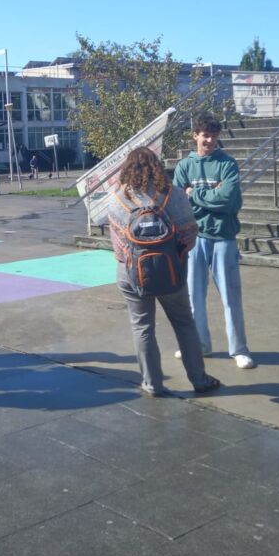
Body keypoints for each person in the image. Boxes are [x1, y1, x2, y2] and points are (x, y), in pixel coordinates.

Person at [106, 147, 221, 395]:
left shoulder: (116, 199)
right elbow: (190, 235)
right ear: (157, 166)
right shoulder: (174, 195)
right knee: (184, 323)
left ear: (127, 169)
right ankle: (199, 380)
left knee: (142, 327)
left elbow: (118, 247)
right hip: (171, 272)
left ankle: (152, 383)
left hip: (132, 274)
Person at [172, 113, 255, 369]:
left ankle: (239, 349)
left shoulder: (227, 164)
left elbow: (228, 200)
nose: (209, 140)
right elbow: (178, 201)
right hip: (193, 237)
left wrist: (194, 193)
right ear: (195, 136)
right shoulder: (184, 166)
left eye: (214, 136)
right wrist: (211, 194)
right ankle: (200, 344)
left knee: (231, 296)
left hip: (223, 236)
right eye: (205, 135)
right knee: (194, 296)